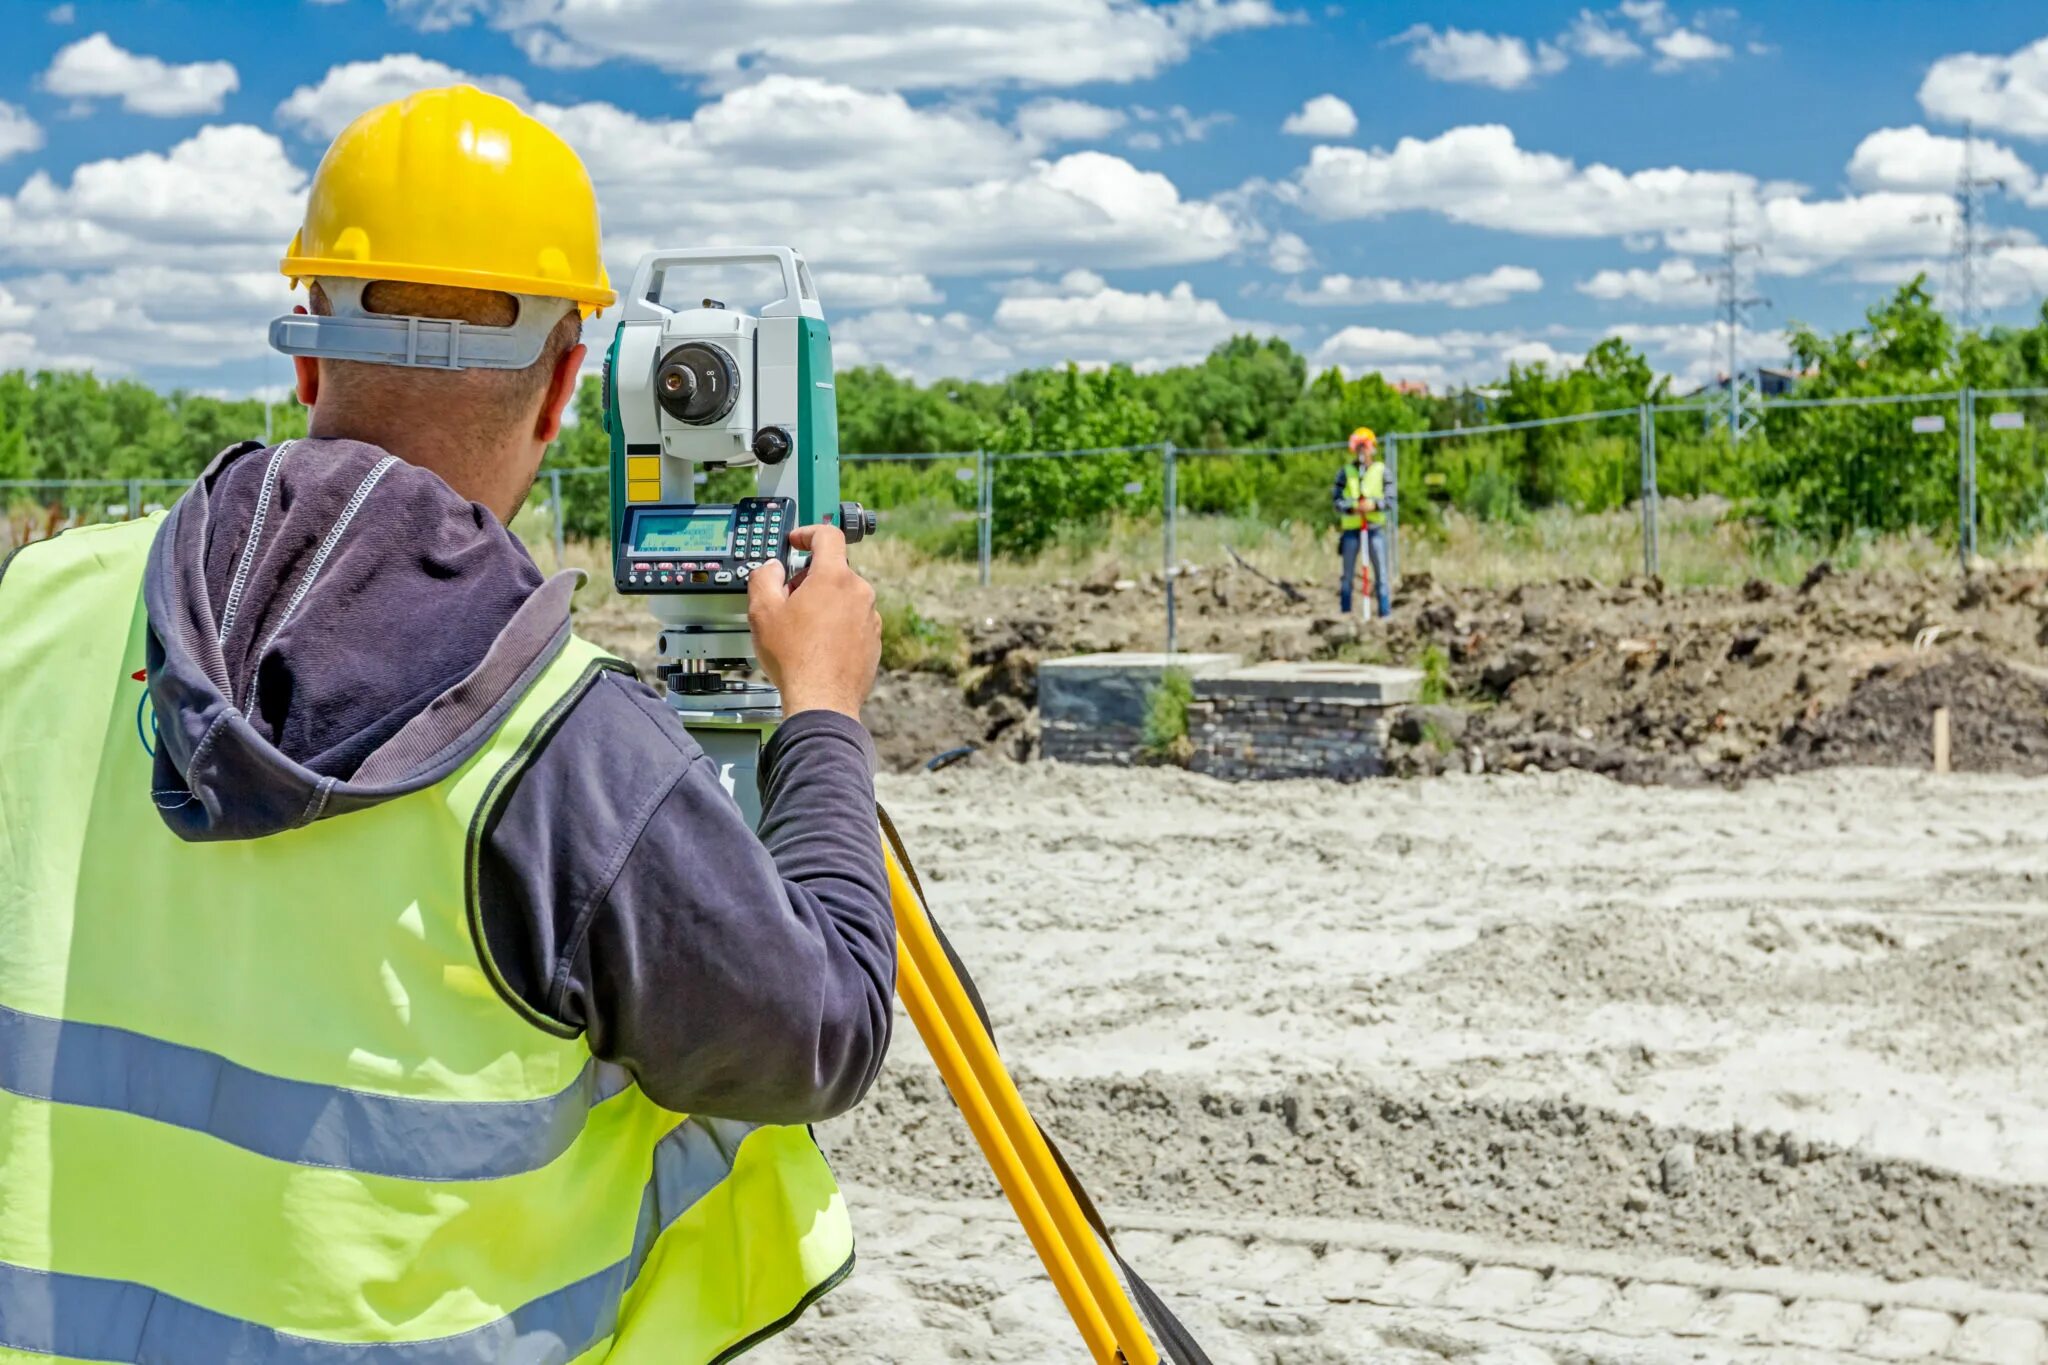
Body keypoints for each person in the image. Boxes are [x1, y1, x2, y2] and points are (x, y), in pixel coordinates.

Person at [0, 85, 892, 1363]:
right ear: (564, 388)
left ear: (304, 354)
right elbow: (821, 1029)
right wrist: (818, 711)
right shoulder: (565, 750)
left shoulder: (38, 610)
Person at [1333, 425, 1391, 617]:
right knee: (1347, 575)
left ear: (1372, 448)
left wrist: (1374, 506)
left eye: (1364, 446)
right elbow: (1337, 500)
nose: (1362, 451)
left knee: (1381, 575)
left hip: (1373, 528)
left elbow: (1390, 499)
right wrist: (1352, 507)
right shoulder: (1346, 472)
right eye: (1359, 447)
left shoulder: (1382, 471)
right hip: (1351, 530)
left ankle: (1384, 615)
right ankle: (1345, 613)